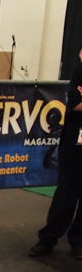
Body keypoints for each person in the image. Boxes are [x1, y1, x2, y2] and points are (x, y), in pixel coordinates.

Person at [29, 48, 82, 260]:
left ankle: (78, 241)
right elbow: (75, 104)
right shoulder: (79, 72)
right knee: (67, 190)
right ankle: (48, 238)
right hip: (76, 139)